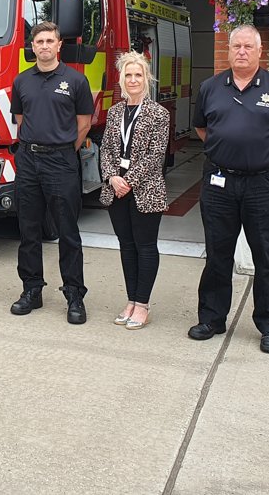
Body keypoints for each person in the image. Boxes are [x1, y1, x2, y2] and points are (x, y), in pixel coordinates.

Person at [188, 24, 269, 354]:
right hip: (219, 183)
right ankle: (212, 318)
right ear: (228, 50)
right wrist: (226, 151)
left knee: (266, 255)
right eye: (236, 46)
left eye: (248, 47)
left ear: (259, 51)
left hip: (262, 185)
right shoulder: (210, 88)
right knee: (217, 253)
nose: (241, 52)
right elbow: (202, 128)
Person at [9, 21, 94, 324]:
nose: (44, 46)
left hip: (61, 161)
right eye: (39, 41)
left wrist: (62, 149)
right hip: (28, 161)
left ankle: (74, 295)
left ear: (59, 45)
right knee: (28, 230)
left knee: (67, 232)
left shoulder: (76, 80)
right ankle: (32, 290)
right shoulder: (21, 81)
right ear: (32, 47)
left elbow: (84, 123)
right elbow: (21, 119)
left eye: (49, 41)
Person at [97, 51, 169, 330]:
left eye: (138, 74)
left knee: (145, 246)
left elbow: (156, 155)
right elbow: (106, 149)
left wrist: (129, 181)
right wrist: (112, 177)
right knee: (126, 246)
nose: (133, 80)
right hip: (116, 189)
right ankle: (130, 300)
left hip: (145, 189)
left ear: (147, 78)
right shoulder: (115, 112)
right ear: (121, 80)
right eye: (128, 75)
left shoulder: (159, 114)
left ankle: (142, 304)